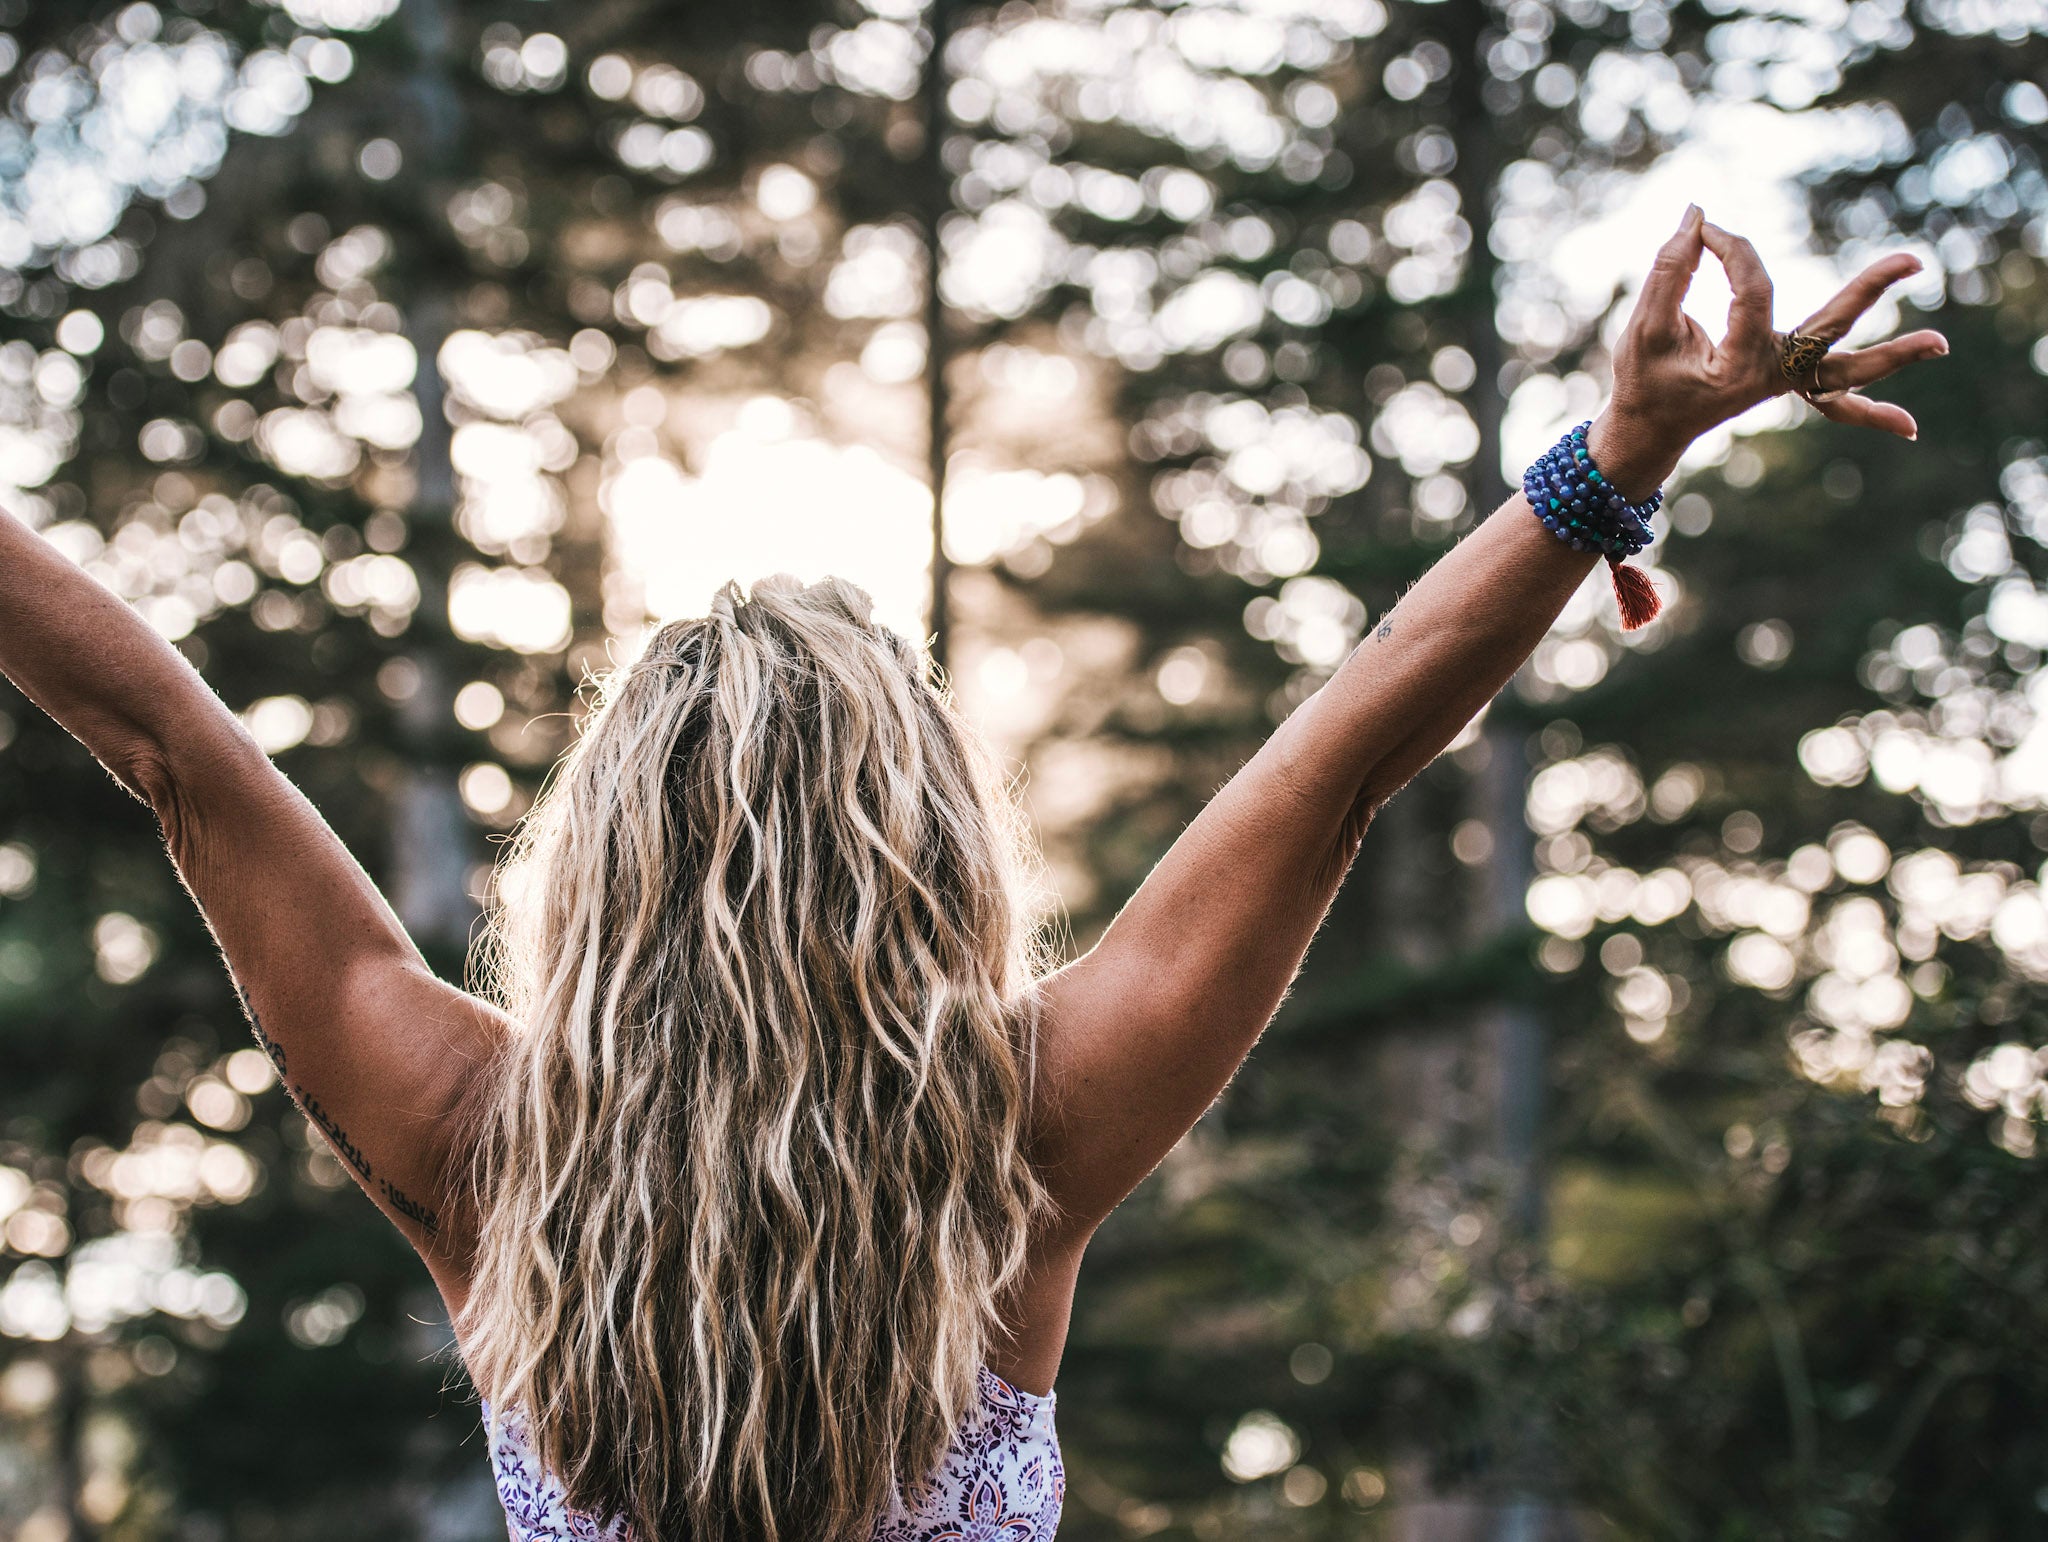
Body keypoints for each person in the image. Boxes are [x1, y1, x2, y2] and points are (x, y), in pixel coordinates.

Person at [0, 204, 1945, 1541]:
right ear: (922, 845)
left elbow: (176, 752)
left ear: (595, 860)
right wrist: (1605, 468)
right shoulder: (1008, 1138)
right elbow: (1342, 755)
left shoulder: (473, 1138)